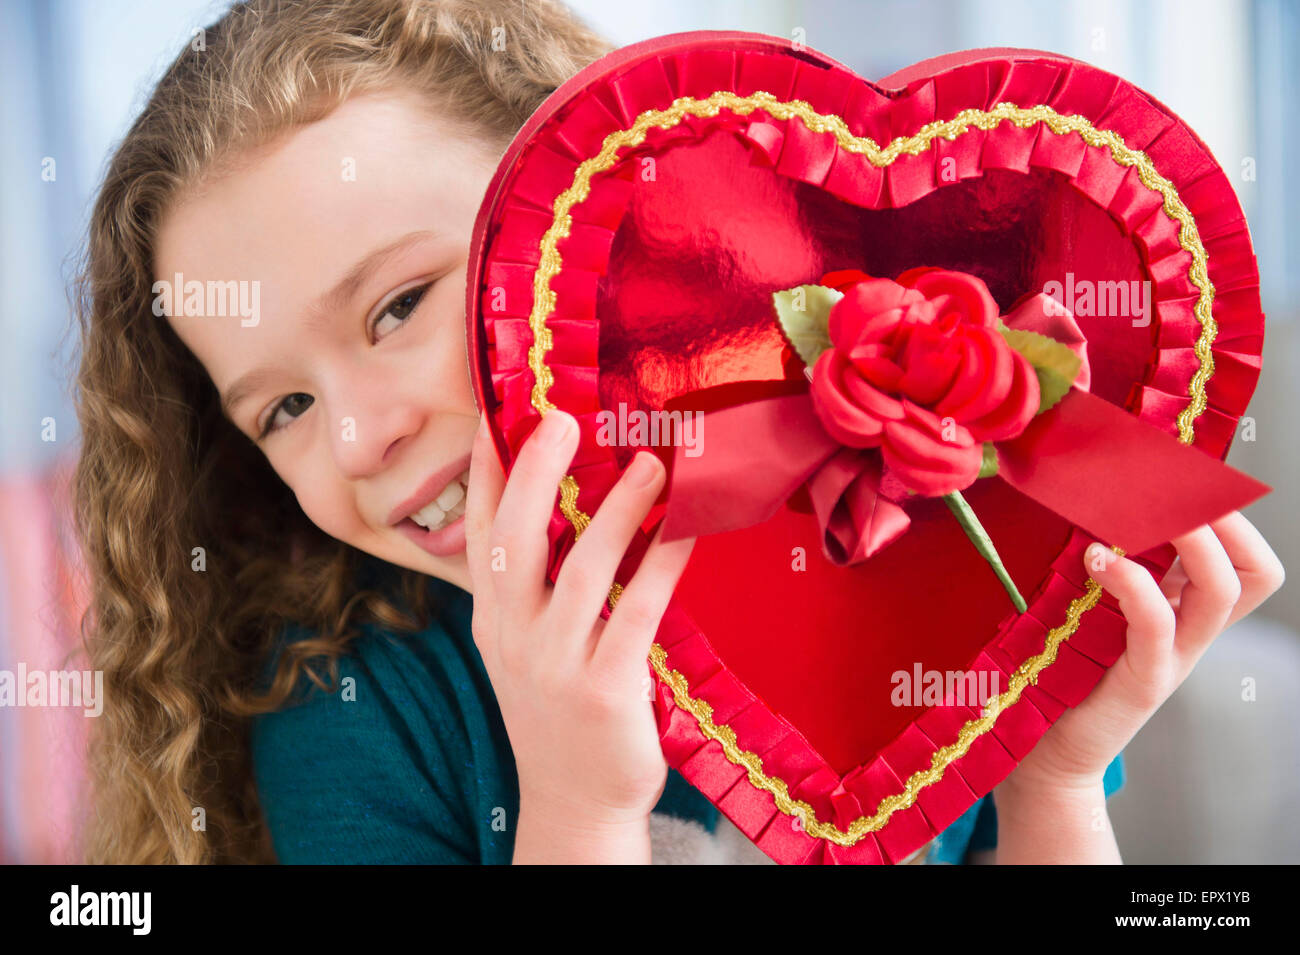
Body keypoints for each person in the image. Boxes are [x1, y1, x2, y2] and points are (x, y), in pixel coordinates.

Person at [72, 0, 1284, 864]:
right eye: (282, 406)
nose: (356, 438)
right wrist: (580, 810)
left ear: (618, 226)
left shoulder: (934, 588)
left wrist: (1054, 783)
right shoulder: (347, 700)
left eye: (399, 305)